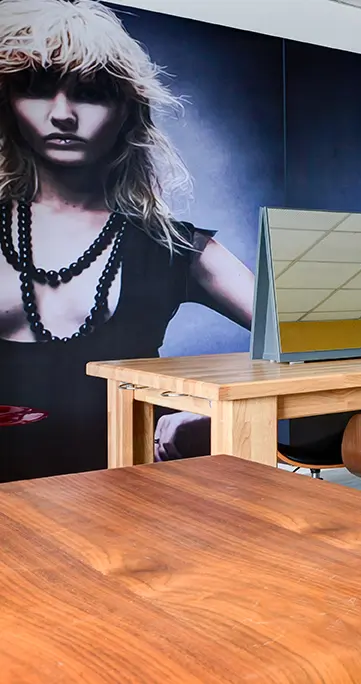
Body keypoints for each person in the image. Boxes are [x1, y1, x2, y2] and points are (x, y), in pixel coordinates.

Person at [0, 0, 254, 479]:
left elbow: (314, 349)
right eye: (36, 88)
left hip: (132, 499)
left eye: (90, 93)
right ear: (9, 104)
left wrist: (217, 410)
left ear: (128, 112)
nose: (62, 115)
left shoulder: (178, 249)